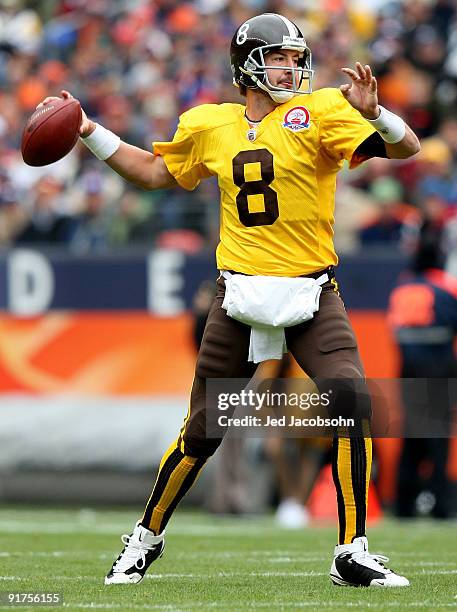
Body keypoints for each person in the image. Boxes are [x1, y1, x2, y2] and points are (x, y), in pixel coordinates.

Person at [38, 13, 420, 588]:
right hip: (238, 296)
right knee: (202, 432)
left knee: (352, 406)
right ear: (247, 65)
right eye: (280, 57)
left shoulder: (320, 111)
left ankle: (352, 550)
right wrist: (89, 129)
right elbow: (152, 171)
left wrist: (377, 114)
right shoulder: (209, 123)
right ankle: (143, 540)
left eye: (297, 56)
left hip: (312, 292)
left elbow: (407, 148)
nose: (294, 66)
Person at [388, 219, 457, 519]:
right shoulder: (446, 287)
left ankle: (404, 502)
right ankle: (441, 504)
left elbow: (395, 331)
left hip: (409, 369)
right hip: (440, 368)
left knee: (412, 433)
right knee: (438, 436)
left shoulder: (402, 289)